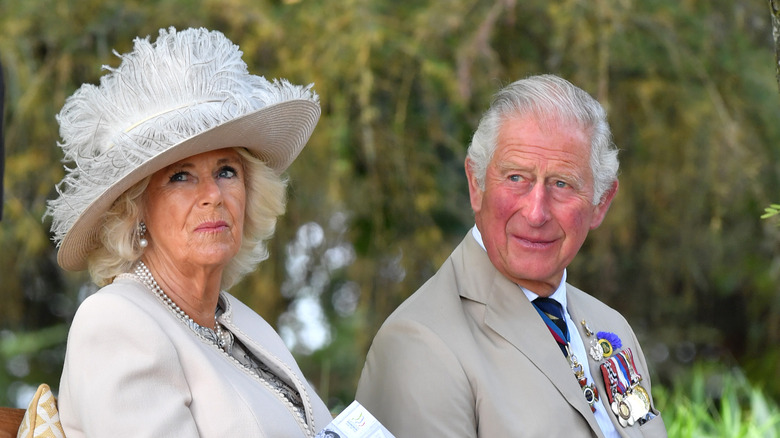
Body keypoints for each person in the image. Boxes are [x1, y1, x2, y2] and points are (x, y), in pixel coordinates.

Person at [45, 27, 333, 437]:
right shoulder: (113, 321)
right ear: (135, 207)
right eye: (181, 176)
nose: (213, 195)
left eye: (226, 171)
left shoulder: (246, 325)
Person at [355, 75, 667, 437]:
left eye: (562, 184)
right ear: (476, 185)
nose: (536, 213)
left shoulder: (612, 328)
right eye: (517, 178)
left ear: (600, 203)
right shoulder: (419, 342)